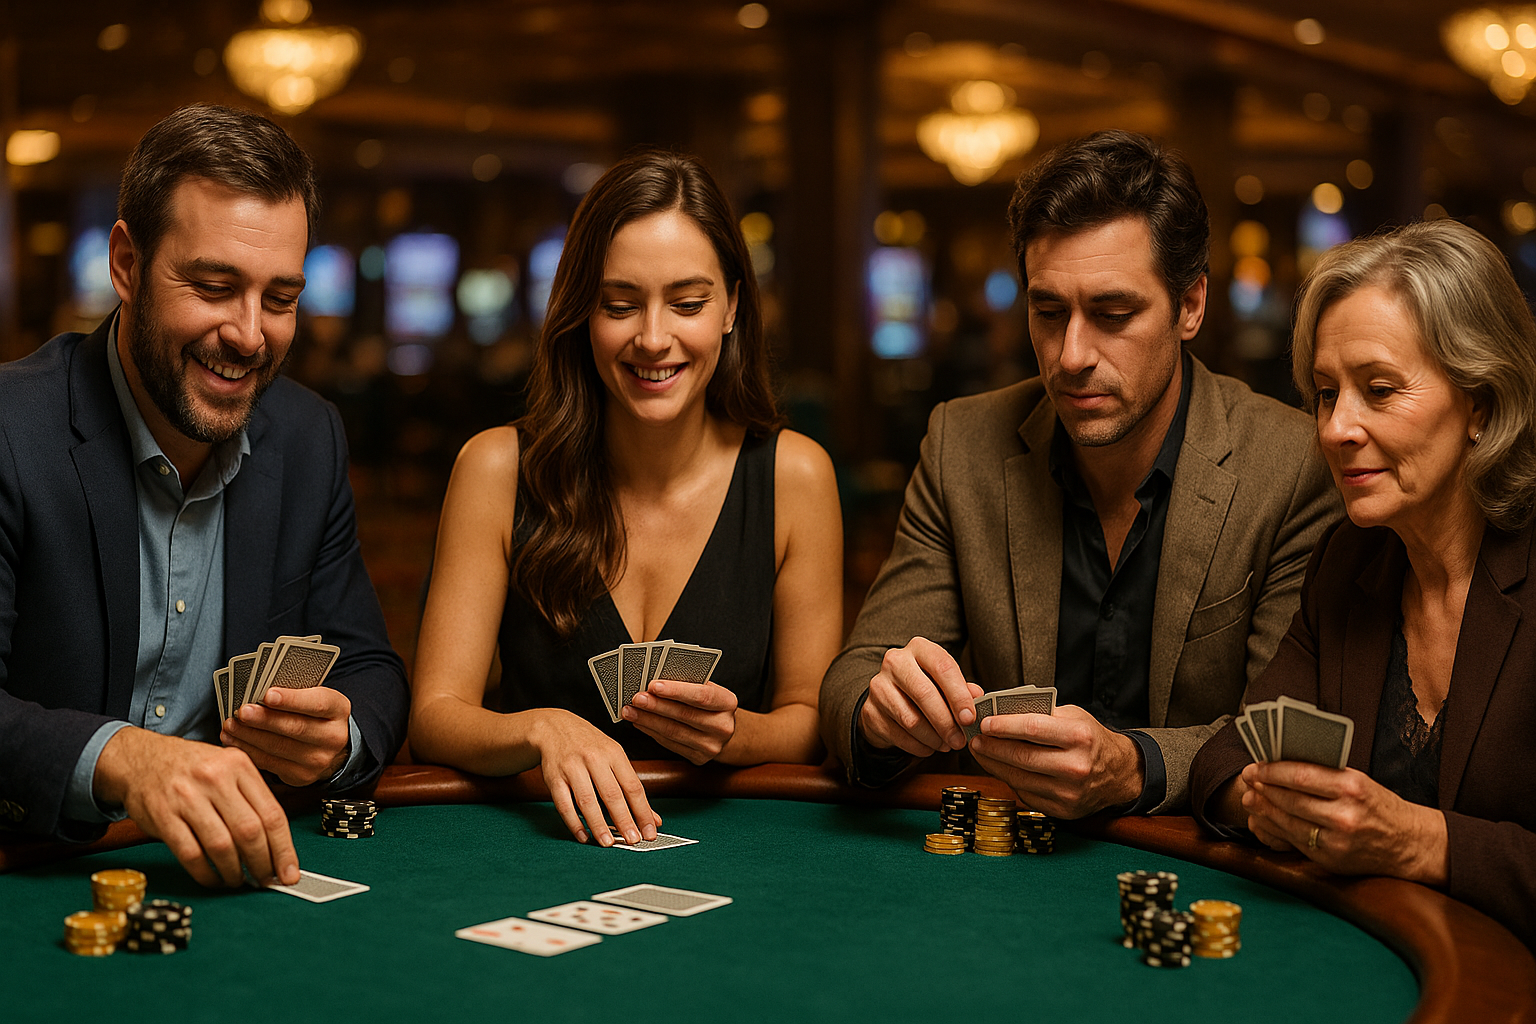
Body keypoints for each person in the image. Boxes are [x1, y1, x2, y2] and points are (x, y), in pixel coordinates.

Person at [820, 130, 1341, 817]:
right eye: (1048, 312)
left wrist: (1136, 768)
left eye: (1112, 314)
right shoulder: (963, 443)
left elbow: (1278, 740)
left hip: (1204, 867)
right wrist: (878, 713)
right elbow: (850, 681)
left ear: (1191, 306)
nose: (1071, 355)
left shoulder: (1293, 464)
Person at [0, 105, 410, 888]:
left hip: (231, 886)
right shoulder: (10, 431)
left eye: (281, 298)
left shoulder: (308, 436)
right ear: (126, 264)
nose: (251, 335)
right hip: (34, 871)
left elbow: (372, 667)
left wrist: (341, 732)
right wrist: (123, 758)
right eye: (216, 286)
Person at [409, 150, 842, 847]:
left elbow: (810, 718)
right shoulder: (494, 467)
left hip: (736, 853)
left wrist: (731, 735)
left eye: (688, 303)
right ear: (581, 312)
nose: (652, 338)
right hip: (537, 847)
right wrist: (542, 728)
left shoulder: (796, 476)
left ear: (732, 305)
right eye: (619, 305)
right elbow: (434, 715)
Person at [1189, 219, 1536, 948]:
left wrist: (1419, 840)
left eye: (1378, 390)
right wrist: (1266, 802)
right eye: (1324, 393)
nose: (1336, 428)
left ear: (1481, 401)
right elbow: (1229, 755)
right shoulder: (1349, 561)